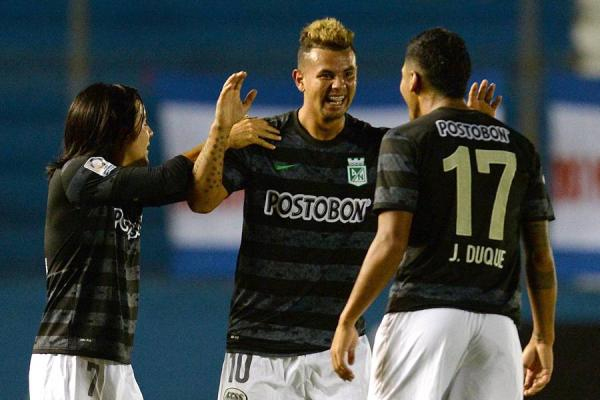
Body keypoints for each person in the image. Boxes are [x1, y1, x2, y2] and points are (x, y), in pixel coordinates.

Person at [189, 19, 501, 400]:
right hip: (259, 349)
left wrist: (472, 128)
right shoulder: (263, 139)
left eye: (348, 74)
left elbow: (450, 186)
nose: (339, 85)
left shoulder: (379, 148)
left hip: (340, 353)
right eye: (326, 75)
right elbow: (201, 200)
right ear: (300, 80)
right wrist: (220, 133)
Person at [330, 27, 557, 400]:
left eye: (403, 76)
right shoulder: (521, 148)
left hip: (425, 316)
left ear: (414, 80)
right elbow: (540, 257)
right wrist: (543, 338)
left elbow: (391, 240)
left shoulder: (406, 140)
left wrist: (347, 318)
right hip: (499, 328)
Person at [28, 73, 276, 400]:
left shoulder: (120, 186)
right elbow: (164, 181)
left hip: (113, 360)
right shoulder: (78, 173)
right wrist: (221, 135)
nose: (150, 132)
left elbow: (181, 180)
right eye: (142, 122)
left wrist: (221, 139)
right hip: (69, 355)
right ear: (117, 130)